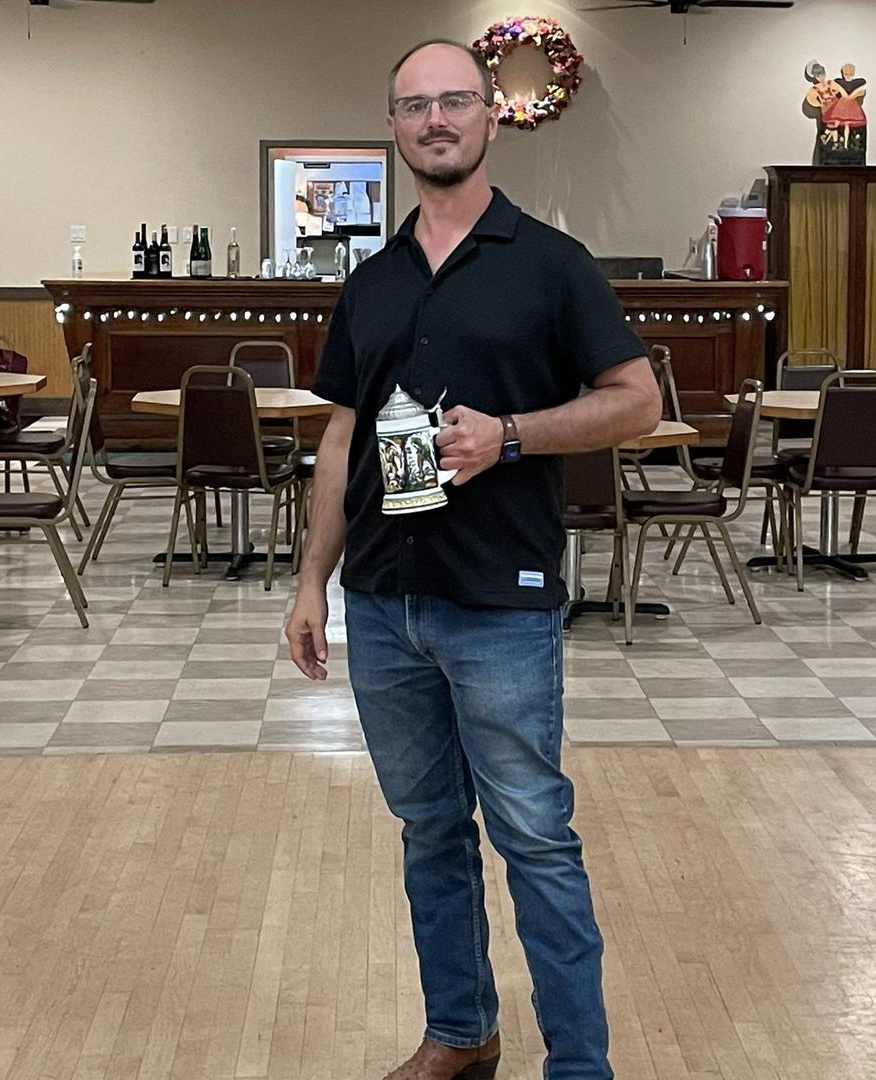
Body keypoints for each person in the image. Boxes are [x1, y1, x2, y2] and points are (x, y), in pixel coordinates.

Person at [283, 38, 659, 1080]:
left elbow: (637, 401)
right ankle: (461, 1033)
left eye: (454, 102)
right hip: (386, 605)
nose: (435, 120)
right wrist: (313, 579)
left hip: (501, 602)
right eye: (414, 106)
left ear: (491, 117)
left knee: (535, 838)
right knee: (428, 831)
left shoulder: (551, 265)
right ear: (394, 127)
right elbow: (344, 440)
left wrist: (514, 435)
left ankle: (579, 1066)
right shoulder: (371, 281)